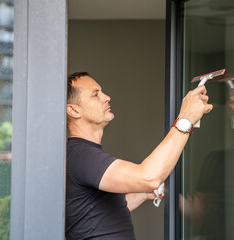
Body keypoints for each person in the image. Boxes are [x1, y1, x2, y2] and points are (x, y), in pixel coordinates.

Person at [65, 72, 213, 240]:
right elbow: (149, 177)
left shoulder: (83, 154)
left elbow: (95, 215)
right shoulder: (82, 156)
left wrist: (142, 194)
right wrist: (186, 118)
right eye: (95, 94)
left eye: (102, 92)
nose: (106, 97)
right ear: (73, 110)